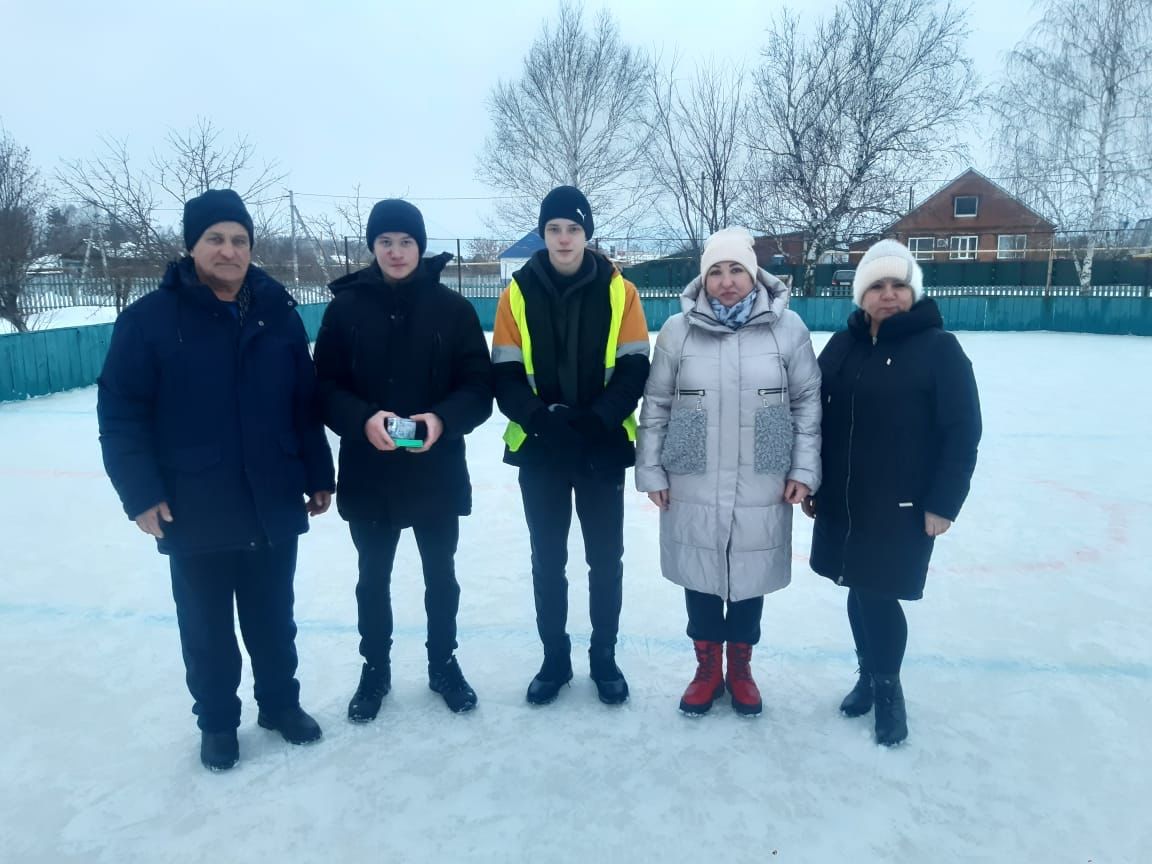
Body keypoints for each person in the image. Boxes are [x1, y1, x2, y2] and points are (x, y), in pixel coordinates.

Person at [97, 189, 335, 772]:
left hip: (274, 495)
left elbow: (303, 402)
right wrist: (141, 494)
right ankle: (218, 725)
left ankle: (280, 706)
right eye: (216, 239)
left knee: (274, 619)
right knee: (207, 629)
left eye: (239, 240)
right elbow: (121, 413)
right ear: (192, 245)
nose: (229, 251)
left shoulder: (277, 314)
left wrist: (317, 472)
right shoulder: (149, 322)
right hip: (193, 502)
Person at [313, 199, 492, 719]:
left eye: (406, 241)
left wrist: (441, 420)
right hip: (371, 472)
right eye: (386, 241)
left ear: (420, 246)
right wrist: (363, 419)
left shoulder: (453, 310)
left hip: (435, 471)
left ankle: (443, 663)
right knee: (373, 577)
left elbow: (479, 388)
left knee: (441, 575)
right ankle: (375, 670)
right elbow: (322, 386)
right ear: (372, 247)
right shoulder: (345, 309)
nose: (396, 251)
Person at [635, 227, 822, 716]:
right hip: (692, 470)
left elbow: (806, 403)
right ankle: (705, 669)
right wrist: (652, 470)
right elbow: (657, 404)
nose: (726, 280)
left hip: (766, 468)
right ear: (703, 278)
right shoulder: (678, 330)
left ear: (753, 272)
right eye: (715, 271)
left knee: (749, 570)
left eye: (736, 268)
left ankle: (740, 668)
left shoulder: (789, 329)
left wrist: (803, 467)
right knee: (699, 570)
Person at [802, 239, 981, 746]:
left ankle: (888, 691)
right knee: (858, 588)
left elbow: (963, 431)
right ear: (861, 295)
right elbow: (815, 420)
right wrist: (813, 479)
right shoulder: (843, 346)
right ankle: (867, 675)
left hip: (901, 503)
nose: (888, 295)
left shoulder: (939, 350)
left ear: (913, 291)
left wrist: (943, 503)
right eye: (877, 286)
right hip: (844, 497)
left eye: (898, 285)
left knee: (879, 594)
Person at [492, 186, 650, 706]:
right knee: (547, 561)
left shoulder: (619, 291)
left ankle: (603, 659)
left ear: (588, 234)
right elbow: (506, 374)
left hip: (600, 447)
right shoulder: (516, 292)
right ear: (543, 233)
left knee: (606, 560)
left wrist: (599, 419)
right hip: (541, 450)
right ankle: (554, 660)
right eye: (555, 228)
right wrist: (540, 420)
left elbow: (633, 368)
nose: (564, 238)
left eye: (574, 229)